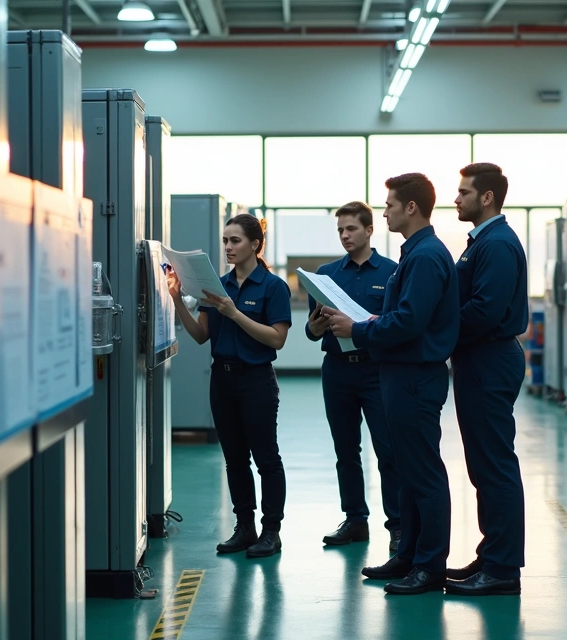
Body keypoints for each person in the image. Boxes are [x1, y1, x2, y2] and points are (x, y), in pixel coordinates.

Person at [322, 173, 459, 596]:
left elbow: (409, 322)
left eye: (389, 206)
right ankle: (410, 555)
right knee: (411, 473)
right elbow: (403, 317)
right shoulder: (416, 252)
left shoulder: (425, 256)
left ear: (411, 207)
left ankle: (430, 566)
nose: (384, 213)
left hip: (415, 376)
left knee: (423, 474)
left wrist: (359, 328)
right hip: (400, 374)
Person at [168, 214, 292, 558]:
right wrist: (177, 300)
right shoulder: (215, 285)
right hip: (222, 380)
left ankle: (271, 531)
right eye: (225, 241)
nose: (228, 247)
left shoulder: (273, 287)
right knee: (235, 459)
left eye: (235, 240)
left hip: (256, 381)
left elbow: (277, 339)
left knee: (266, 458)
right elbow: (201, 335)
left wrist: (234, 313)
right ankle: (244, 527)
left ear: (255, 244)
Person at [443, 162, 527, 597]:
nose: (456, 199)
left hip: (489, 358)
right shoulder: (483, 241)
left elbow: (485, 310)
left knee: (494, 465)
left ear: (487, 197)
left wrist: (436, 331)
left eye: (463, 192)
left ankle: (502, 569)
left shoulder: (495, 244)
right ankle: (492, 553)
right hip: (479, 358)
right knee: (482, 465)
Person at [305, 201, 402, 553]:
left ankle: (398, 525)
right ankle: (355, 520)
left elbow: (397, 324)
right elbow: (312, 329)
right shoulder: (326, 275)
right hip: (337, 371)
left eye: (351, 229)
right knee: (345, 450)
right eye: (340, 230)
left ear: (369, 230)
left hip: (377, 370)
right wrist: (315, 328)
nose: (345, 236)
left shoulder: (392, 272)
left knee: (388, 450)